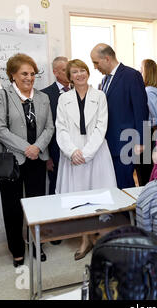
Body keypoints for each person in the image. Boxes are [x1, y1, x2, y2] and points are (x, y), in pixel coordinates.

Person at [0, 53, 54, 267]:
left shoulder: (43, 97)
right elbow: (0, 130)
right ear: (13, 76)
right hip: (12, 161)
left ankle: (37, 244)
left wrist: (37, 147)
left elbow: (49, 127)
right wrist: (27, 148)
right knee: (12, 207)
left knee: (38, 206)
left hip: (37, 159)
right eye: (24, 73)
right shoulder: (1, 96)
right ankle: (17, 250)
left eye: (32, 73)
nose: (29, 77)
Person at [55, 59, 117, 260]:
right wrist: (73, 151)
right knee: (79, 198)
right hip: (72, 154)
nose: (79, 74)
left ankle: (99, 236)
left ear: (88, 73)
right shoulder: (63, 99)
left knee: (98, 197)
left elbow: (101, 126)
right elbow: (61, 128)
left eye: (83, 70)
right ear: (69, 76)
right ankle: (85, 239)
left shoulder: (100, 96)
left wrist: (87, 152)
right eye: (75, 72)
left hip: (96, 152)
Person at [90, 43, 149, 188]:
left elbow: (141, 110)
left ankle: (129, 211)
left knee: (125, 185)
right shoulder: (104, 81)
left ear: (107, 58)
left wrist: (142, 141)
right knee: (112, 184)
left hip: (126, 143)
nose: (95, 67)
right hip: (108, 143)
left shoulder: (131, 75)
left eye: (96, 63)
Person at [41, 56, 70, 246]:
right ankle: (56, 230)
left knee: (73, 189)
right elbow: (44, 127)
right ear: (56, 72)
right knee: (55, 190)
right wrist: (47, 157)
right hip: (55, 153)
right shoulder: (45, 95)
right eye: (64, 69)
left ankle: (76, 227)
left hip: (76, 152)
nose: (69, 73)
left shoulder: (79, 90)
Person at [135, 58, 157, 185]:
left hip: (149, 134)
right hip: (149, 133)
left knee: (145, 172)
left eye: (141, 68)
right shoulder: (152, 90)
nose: (139, 71)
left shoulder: (148, 91)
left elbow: (156, 117)